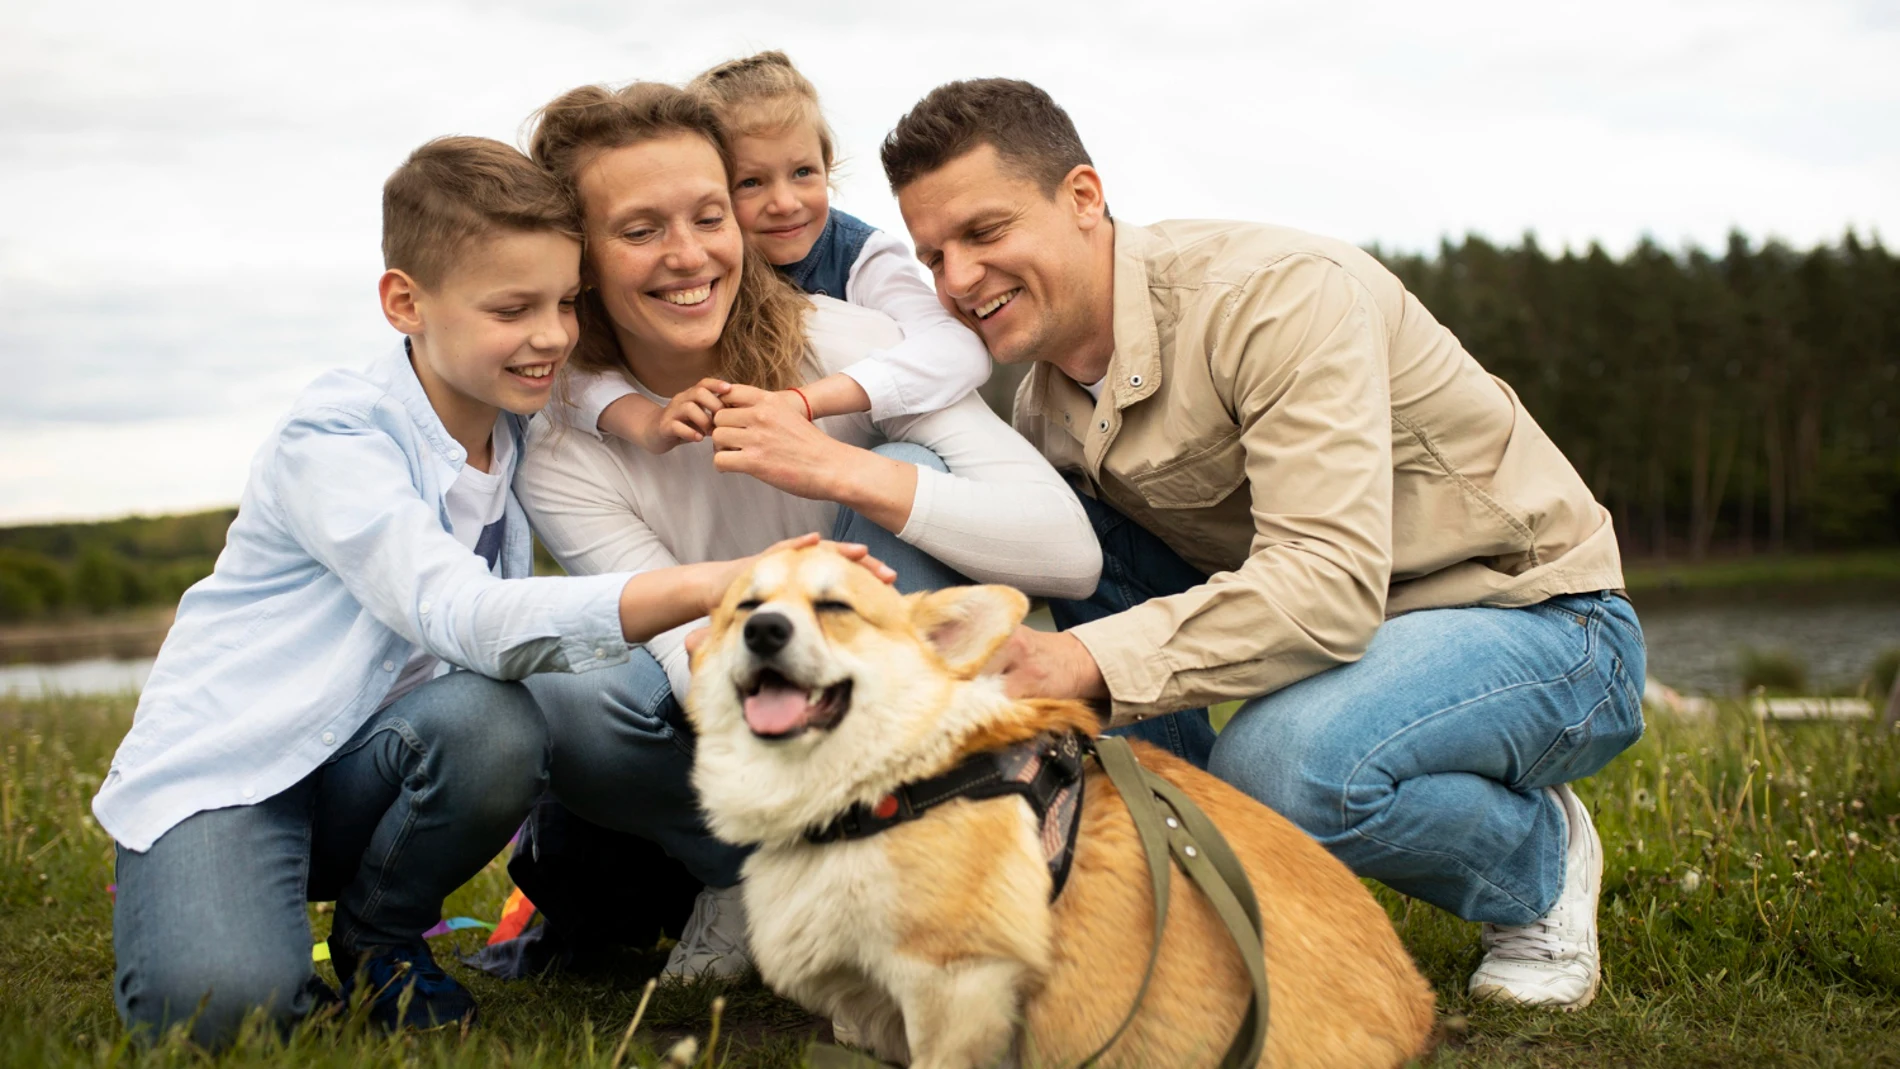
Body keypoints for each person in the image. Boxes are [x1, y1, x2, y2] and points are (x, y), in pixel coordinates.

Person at [92, 136, 893, 1047]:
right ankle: (213, 901)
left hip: (382, 762)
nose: (550, 333)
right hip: (233, 771)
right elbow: (462, 615)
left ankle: (382, 939)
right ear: (405, 302)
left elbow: (588, 385)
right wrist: (718, 584)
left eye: (563, 301)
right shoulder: (336, 437)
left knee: (498, 720)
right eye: (513, 308)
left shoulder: (517, 416)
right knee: (223, 1016)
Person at [881, 78, 1647, 1011]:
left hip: (1541, 620)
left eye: (984, 232)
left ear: (1083, 198)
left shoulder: (1278, 299)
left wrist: (1075, 658)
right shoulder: (1042, 405)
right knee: (1072, 540)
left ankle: (1536, 862)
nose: (957, 280)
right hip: (1357, 646)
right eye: (933, 255)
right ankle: (1195, 878)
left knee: (1281, 771)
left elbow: (1324, 584)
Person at [513, 81, 1101, 980]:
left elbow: (1070, 553)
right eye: (639, 231)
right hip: (733, 711)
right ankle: (746, 875)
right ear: (579, 259)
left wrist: (838, 468)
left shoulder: (852, 345)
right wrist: (765, 604)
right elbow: (679, 649)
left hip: (895, 704)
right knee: (572, 688)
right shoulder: (563, 446)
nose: (687, 256)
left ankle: (936, 848)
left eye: (710, 216)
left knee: (923, 473)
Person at [556, 51, 991, 453]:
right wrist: (644, 421)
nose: (784, 203)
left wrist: (807, 400)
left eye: (803, 172)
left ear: (828, 163)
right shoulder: (699, 270)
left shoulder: (863, 256)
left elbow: (957, 349)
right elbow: (569, 370)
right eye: (751, 182)